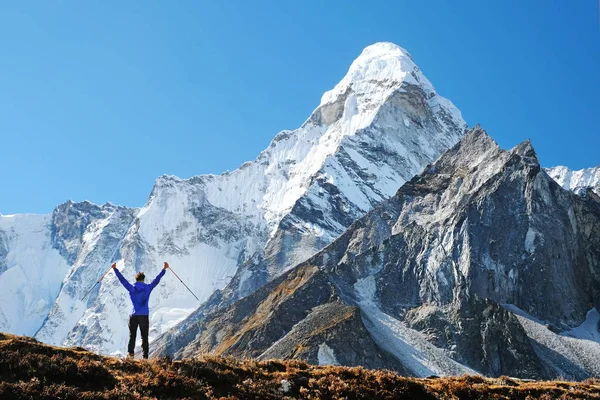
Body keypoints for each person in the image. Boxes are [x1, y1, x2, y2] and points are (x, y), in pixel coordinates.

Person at [112, 261, 169, 359]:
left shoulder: (132, 288)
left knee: (132, 336)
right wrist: (164, 269)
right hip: (144, 316)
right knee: (144, 337)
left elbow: (123, 281)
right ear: (143, 279)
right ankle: (145, 358)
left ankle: (130, 356)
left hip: (133, 316)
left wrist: (115, 269)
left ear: (136, 279)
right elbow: (156, 280)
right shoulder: (147, 288)